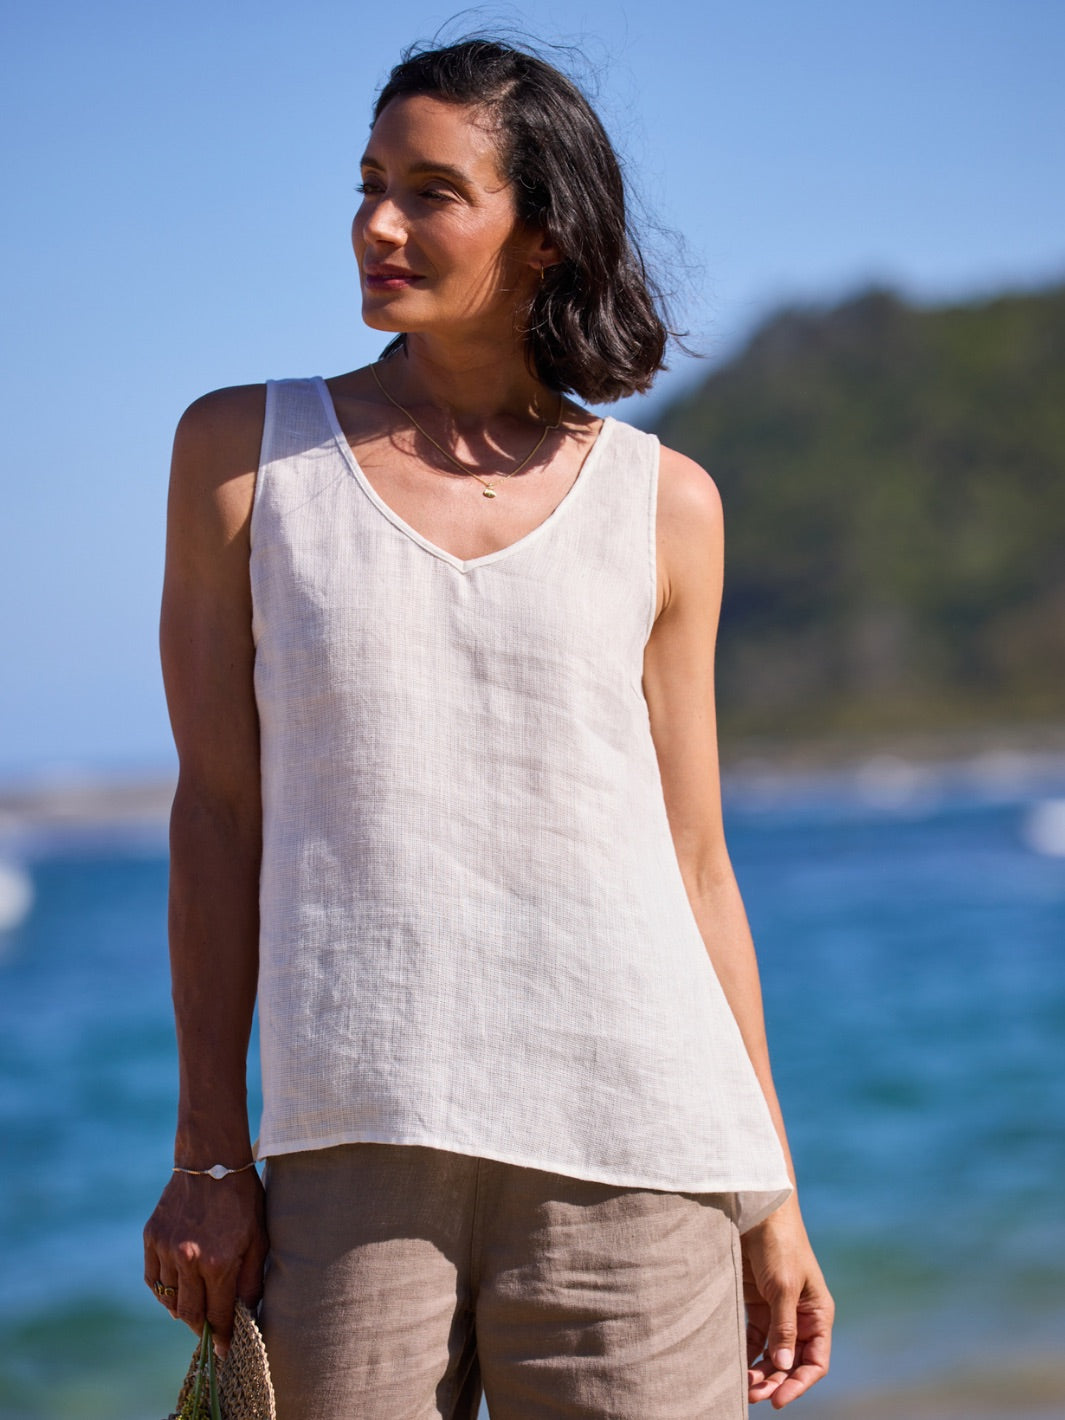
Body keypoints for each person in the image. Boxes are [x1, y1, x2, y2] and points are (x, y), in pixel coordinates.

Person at [144, 36, 834, 1420]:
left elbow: (694, 865)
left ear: (542, 238)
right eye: (366, 184)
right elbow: (218, 813)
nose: (376, 225)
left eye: (430, 191)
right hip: (357, 1144)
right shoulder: (242, 458)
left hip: (645, 1150)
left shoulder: (663, 503)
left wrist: (770, 1194)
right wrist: (213, 1151)